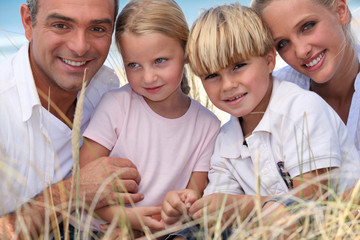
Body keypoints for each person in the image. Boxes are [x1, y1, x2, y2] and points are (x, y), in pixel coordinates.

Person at [162, 3, 360, 239]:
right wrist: (193, 208)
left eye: (238, 66)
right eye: (212, 76)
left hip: (328, 222)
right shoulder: (226, 139)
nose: (227, 86)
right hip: (265, 226)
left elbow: (312, 202)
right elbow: (221, 209)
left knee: (284, 216)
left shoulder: (303, 108)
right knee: (187, 233)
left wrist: (243, 206)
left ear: (269, 61)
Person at [0, 0, 144, 238]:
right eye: (61, 25)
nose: (80, 47)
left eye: (97, 28)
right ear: (28, 22)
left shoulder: (108, 90)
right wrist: (71, 193)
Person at [78, 0, 220, 237]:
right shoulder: (116, 105)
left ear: (185, 52)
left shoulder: (208, 126)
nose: (148, 77)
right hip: (96, 228)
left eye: (160, 61)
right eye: (134, 65)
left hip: (160, 233)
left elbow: (190, 200)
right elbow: (83, 183)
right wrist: (124, 220)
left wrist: (151, 230)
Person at [251, 0, 360, 152]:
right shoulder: (270, 96)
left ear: (340, 11)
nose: (301, 51)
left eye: (307, 26)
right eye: (283, 43)